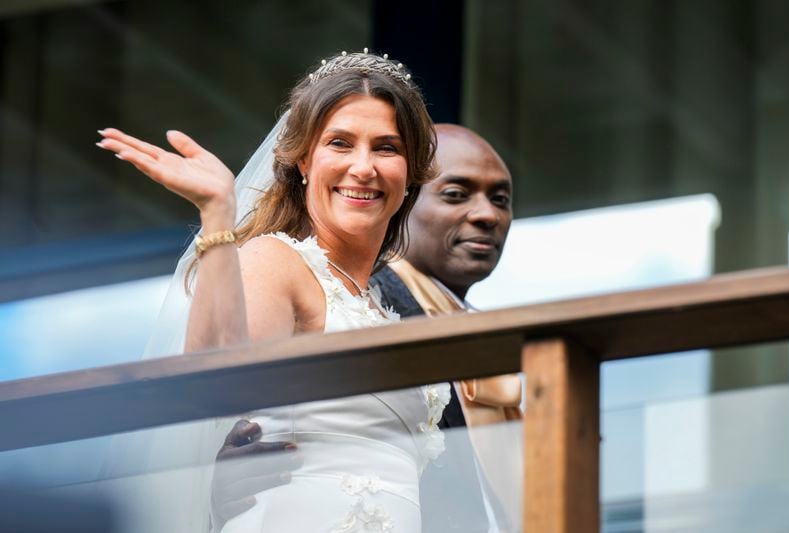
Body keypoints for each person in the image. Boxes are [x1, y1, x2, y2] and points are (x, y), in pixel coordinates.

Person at [97, 50, 448, 533]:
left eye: (386, 148)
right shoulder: (277, 260)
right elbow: (211, 382)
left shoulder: (380, 309)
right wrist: (219, 213)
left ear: (410, 173)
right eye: (340, 143)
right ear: (304, 159)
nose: (363, 167)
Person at [212, 124, 522, 532]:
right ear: (406, 198)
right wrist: (213, 478)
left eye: (500, 199)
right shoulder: (347, 297)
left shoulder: (510, 345)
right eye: (455, 194)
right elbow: (223, 417)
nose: (486, 215)